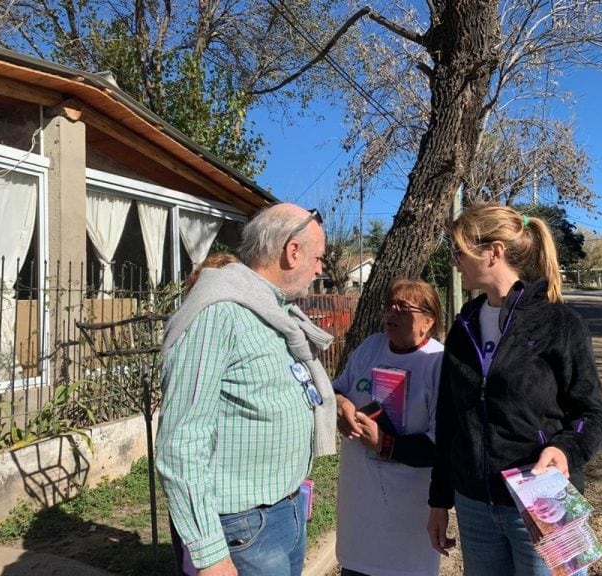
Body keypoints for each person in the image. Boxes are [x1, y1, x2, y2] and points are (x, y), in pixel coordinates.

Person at [427, 203, 602, 576]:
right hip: (475, 506)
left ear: (492, 252)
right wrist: (438, 502)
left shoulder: (560, 323)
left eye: (459, 251)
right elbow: (448, 422)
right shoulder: (463, 328)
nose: (454, 261)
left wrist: (565, 449)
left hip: (541, 501)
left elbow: (594, 415)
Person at [156, 204, 337, 576]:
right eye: (319, 257)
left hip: (283, 511)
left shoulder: (272, 311)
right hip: (241, 527)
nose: (321, 268)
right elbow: (181, 442)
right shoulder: (218, 314)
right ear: (292, 251)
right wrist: (210, 555)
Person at [333, 278, 445, 576]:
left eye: (403, 308)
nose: (391, 313)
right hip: (359, 514)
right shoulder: (371, 346)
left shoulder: (438, 363)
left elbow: (442, 446)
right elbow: (337, 389)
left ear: (428, 321)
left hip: (407, 521)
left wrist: (384, 444)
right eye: (390, 306)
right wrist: (340, 406)